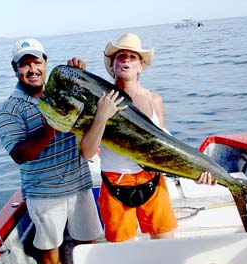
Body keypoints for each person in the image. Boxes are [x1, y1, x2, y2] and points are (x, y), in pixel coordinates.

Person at [0, 38, 103, 264]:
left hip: (79, 183)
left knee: (88, 239)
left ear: (45, 63)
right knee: (49, 246)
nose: (32, 69)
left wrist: (80, 76)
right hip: (43, 192)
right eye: (25, 64)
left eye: (37, 62)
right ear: (14, 68)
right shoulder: (10, 109)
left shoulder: (61, 92)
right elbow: (19, 154)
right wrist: (52, 126)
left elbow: (95, 108)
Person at [80, 33, 216, 243]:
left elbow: (161, 149)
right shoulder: (100, 100)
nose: (126, 59)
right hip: (116, 184)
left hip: (153, 182)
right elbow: (87, 152)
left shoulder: (154, 100)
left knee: (166, 246)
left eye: (133, 57)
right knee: (123, 254)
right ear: (112, 65)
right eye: (121, 56)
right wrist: (101, 116)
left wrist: (195, 172)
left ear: (140, 66)